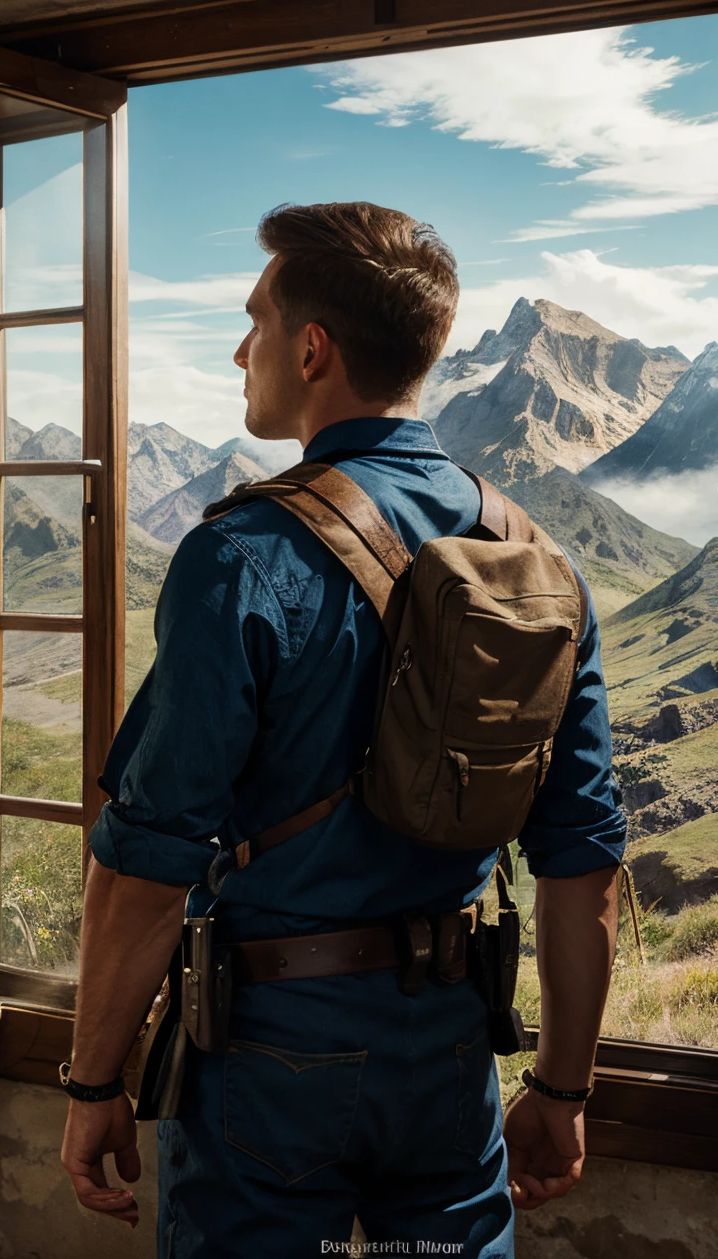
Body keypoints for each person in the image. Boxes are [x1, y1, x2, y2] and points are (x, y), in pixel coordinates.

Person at [58, 201, 624, 1257]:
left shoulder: (239, 557)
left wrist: (93, 1080)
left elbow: (144, 867)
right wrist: (563, 1089)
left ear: (312, 349)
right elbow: (582, 867)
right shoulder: (540, 564)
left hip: (271, 1056)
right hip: (451, 1050)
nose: (241, 348)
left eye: (254, 322)